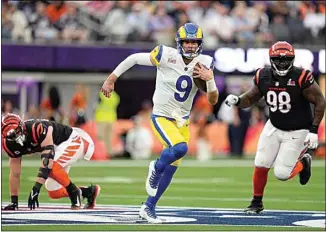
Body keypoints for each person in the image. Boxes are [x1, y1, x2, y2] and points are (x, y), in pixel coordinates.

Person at [101, 23, 219, 223]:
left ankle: (148, 207)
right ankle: (155, 166)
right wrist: (112, 78)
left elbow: (212, 100)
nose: (190, 46)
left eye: (194, 42)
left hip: (182, 121)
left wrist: (210, 80)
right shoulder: (165, 55)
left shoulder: (204, 63)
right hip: (162, 116)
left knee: (171, 170)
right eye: (187, 42)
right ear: (179, 42)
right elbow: (133, 59)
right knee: (180, 148)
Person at [225, 41, 326, 214]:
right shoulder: (263, 75)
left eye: (286, 60)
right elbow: (251, 97)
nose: (282, 63)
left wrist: (314, 130)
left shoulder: (301, 77)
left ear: (292, 60)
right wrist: (238, 100)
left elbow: (320, 101)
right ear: (271, 59)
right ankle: (256, 202)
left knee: (282, 174)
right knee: (261, 163)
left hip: (298, 130)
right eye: (278, 60)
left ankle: (304, 162)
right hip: (274, 125)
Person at [1, 113, 100, 210]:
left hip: (71, 140)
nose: (17, 138)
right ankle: (88, 192)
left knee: (51, 167)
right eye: (12, 136)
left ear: (22, 126)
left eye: (17, 132)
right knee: (54, 191)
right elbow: (14, 174)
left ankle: (74, 192)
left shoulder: (37, 128)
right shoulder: (9, 145)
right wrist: (14, 202)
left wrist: (36, 188)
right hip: (57, 150)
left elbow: (47, 160)